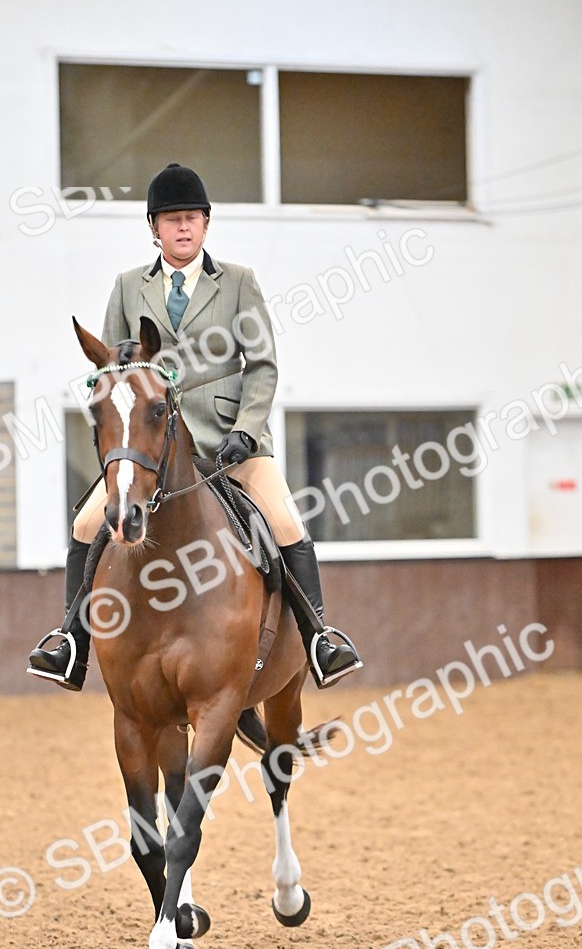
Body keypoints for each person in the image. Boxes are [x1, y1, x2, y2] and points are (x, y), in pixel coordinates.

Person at [28, 163, 361, 692]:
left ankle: (320, 637)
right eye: (171, 220)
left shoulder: (238, 283)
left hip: (231, 442)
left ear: (205, 225)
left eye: (192, 219)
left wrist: (247, 429)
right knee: (87, 526)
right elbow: (114, 370)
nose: (182, 228)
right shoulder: (125, 286)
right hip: (151, 449)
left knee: (285, 521)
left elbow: (264, 366)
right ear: (153, 228)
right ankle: (72, 642)